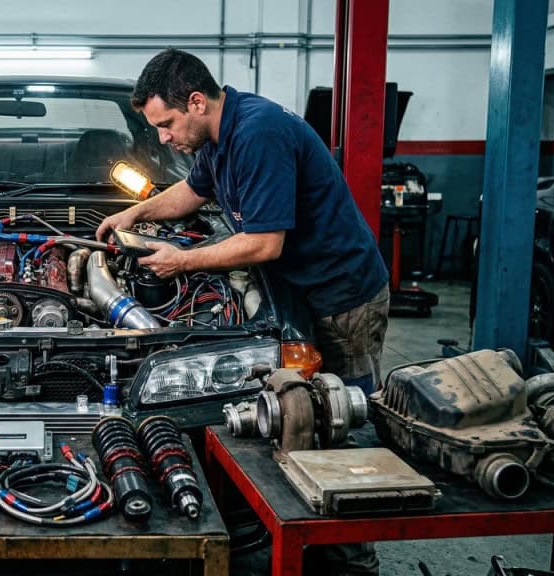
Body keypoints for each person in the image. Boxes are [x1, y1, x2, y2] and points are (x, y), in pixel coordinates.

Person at [97, 48, 388, 575]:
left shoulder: (258, 134)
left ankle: (351, 560)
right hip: (300, 290)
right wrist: (135, 211)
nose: (163, 138)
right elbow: (191, 190)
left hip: (342, 299)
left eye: (165, 125)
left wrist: (181, 262)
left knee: (342, 423)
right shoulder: (219, 133)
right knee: (299, 417)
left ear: (196, 102)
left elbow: (264, 244)